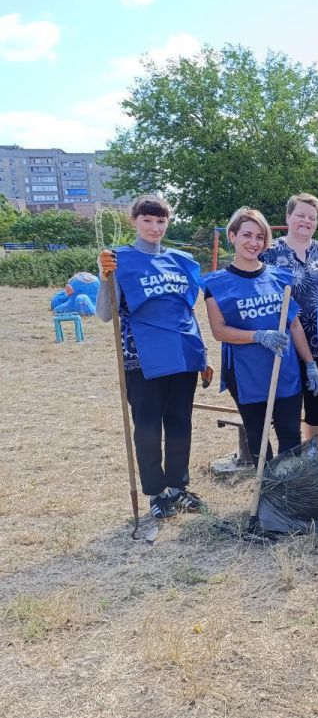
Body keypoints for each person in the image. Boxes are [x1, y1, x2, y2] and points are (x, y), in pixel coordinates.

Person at [96, 195, 210, 519]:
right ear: (134, 221)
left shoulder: (181, 261)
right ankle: (156, 494)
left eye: (161, 221)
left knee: (179, 425)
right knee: (147, 427)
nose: (154, 227)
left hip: (183, 356)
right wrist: (105, 278)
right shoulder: (119, 260)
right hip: (142, 357)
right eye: (147, 220)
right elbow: (106, 314)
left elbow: (187, 312)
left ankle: (178, 488)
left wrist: (203, 354)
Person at [204, 207, 318, 467]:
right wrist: (258, 336)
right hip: (247, 373)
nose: (254, 242)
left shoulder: (280, 278)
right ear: (232, 236)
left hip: (285, 370)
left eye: (260, 237)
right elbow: (219, 331)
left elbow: (295, 327)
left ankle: (288, 493)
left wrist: (310, 363)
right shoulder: (216, 284)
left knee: (290, 434)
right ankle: (265, 493)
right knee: (258, 436)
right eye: (247, 235)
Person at [261, 193, 318, 441]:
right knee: (287, 406)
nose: (306, 221)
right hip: (284, 344)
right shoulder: (270, 252)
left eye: (312, 217)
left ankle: (315, 457)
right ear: (288, 217)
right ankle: (291, 456)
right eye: (300, 215)